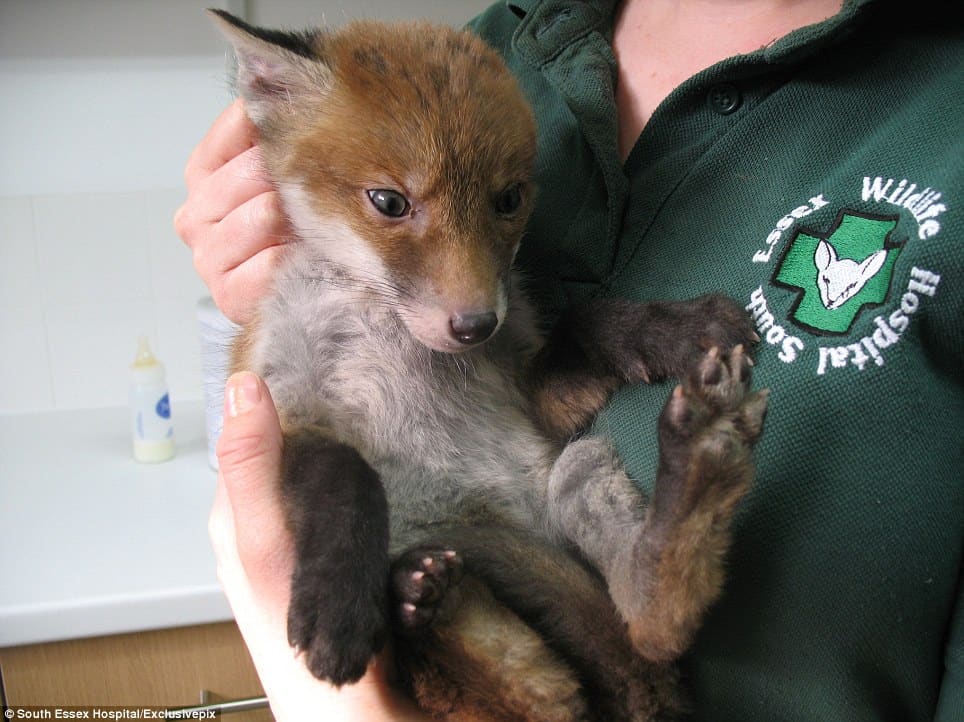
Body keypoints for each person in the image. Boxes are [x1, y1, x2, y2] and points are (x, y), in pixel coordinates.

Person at [176, 1, 963, 719]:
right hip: (483, 618)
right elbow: (280, 448)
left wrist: (625, 336)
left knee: (580, 479)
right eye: (391, 204)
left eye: (510, 203)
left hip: (570, 601)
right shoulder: (501, 45)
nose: (472, 299)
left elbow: (533, 378)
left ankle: (643, 581)